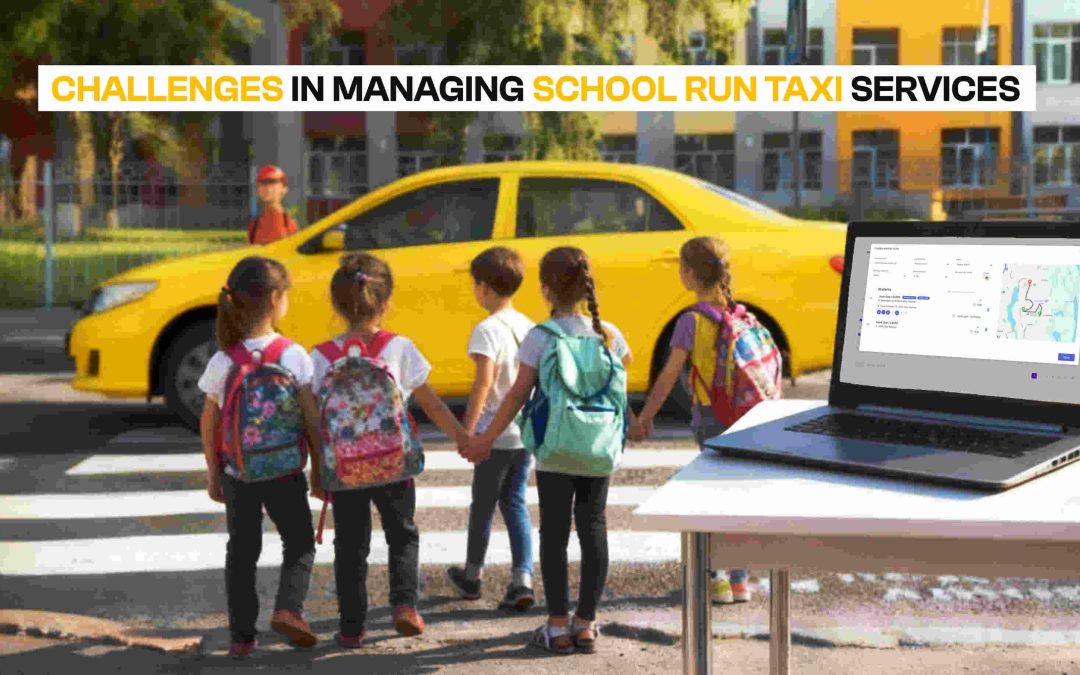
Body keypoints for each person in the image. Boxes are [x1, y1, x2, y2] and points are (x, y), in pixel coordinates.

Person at [464, 246, 636, 655]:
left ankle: (557, 626)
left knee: (555, 532)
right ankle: (587, 624)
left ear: (545, 289)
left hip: (556, 449)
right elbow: (622, 377)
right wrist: (633, 420)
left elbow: (516, 398)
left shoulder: (540, 337)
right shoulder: (608, 334)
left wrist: (484, 438)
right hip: (598, 446)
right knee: (594, 526)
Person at [310, 252, 468, 650]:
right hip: (393, 463)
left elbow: (311, 421)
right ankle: (404, 607)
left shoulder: (320, 357)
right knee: (402, 534)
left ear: (336, 305)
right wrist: (462, 436)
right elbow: (430, 403)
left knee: (350, 545)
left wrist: (316, 469)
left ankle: (350, 627)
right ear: (386, 302)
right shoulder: (398, 347)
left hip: (345, 469)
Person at [196, 256, 320, 659]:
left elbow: (210, 422)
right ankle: (289, 609)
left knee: (242, 551)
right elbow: (312, 420)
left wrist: (214, 473)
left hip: (239, 471)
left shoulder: (223, 361)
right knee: (299, 541)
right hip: (285, 469)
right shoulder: (294, 355)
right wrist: (320, 469)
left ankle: (241, 637)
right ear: (275, 299)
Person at [633, 236, 751, 605]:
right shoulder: (740, 313)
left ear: (687, 274)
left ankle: (713, 581)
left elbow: (668, 376)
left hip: (712, 419)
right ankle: (740, 581)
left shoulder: (691, 320)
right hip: (745, 418)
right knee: (737, 499)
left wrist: (644, 419)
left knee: (712, 500)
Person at [445, 247, 536, 611]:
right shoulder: (528, 324)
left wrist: (468, 431)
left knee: (482, 506)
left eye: (474, 285)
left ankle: (472, 576)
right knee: (515, 503)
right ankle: (522, 579)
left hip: (493, 434)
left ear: (483, 287)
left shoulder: (486, 330)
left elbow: (483, 382)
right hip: (522, 433)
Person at [248, 164, 298, 245]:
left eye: (273, 183)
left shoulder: (289, 225)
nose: (267, 188)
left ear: (284, 189)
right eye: (263, 183)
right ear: (258, 190)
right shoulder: (254, 225)